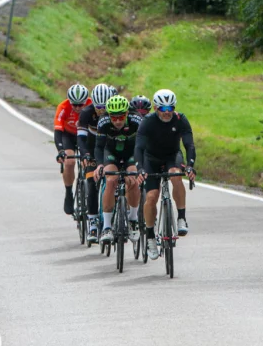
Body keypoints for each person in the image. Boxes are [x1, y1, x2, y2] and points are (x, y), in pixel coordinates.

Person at [135, 89, 197, 260]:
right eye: (163, 109)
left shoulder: (180, 119)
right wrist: (140, 168)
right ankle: (150, 237)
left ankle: (181, 219)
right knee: (152, 197)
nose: (167, 112)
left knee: (176, 175)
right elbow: (139, 147)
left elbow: (189, 145)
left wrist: (190, 166)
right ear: (155, 108)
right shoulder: (148, 122)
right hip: (151, 159)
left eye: (170, 107)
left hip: (172, 157)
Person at [94, 95, 143, 243]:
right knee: (111, 180)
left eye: (121, 117)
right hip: (111, 153)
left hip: (131, 153)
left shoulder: (137, 120)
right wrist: (99, 165)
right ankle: (107, 227)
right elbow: (99, 146)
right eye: (113, 118)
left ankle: (133, 219)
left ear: (127, 113)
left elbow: (144, 144)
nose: (117, 121)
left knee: (133, 179)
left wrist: (142, 166)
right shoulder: (103, 121)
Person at [76, 83, 117, 242]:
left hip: (109, 150)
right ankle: (93, 222)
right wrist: (85, 154)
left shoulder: (114, 113)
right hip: (92, 150)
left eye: (104, 106)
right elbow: (81, 138)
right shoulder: (86, 113)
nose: (101, 110)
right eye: (98, 106)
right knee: (91, 182)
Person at [54, 83, 90, 215]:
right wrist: (60, 151)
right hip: (68, 135)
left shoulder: (92, 106)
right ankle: (69, 192)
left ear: (86, 101)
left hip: (85, 135)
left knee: (89, 160)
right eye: (74, 104)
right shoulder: (63, 107)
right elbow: (57, 132)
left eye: (81, 104)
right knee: (69, 162)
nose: (77, 108)